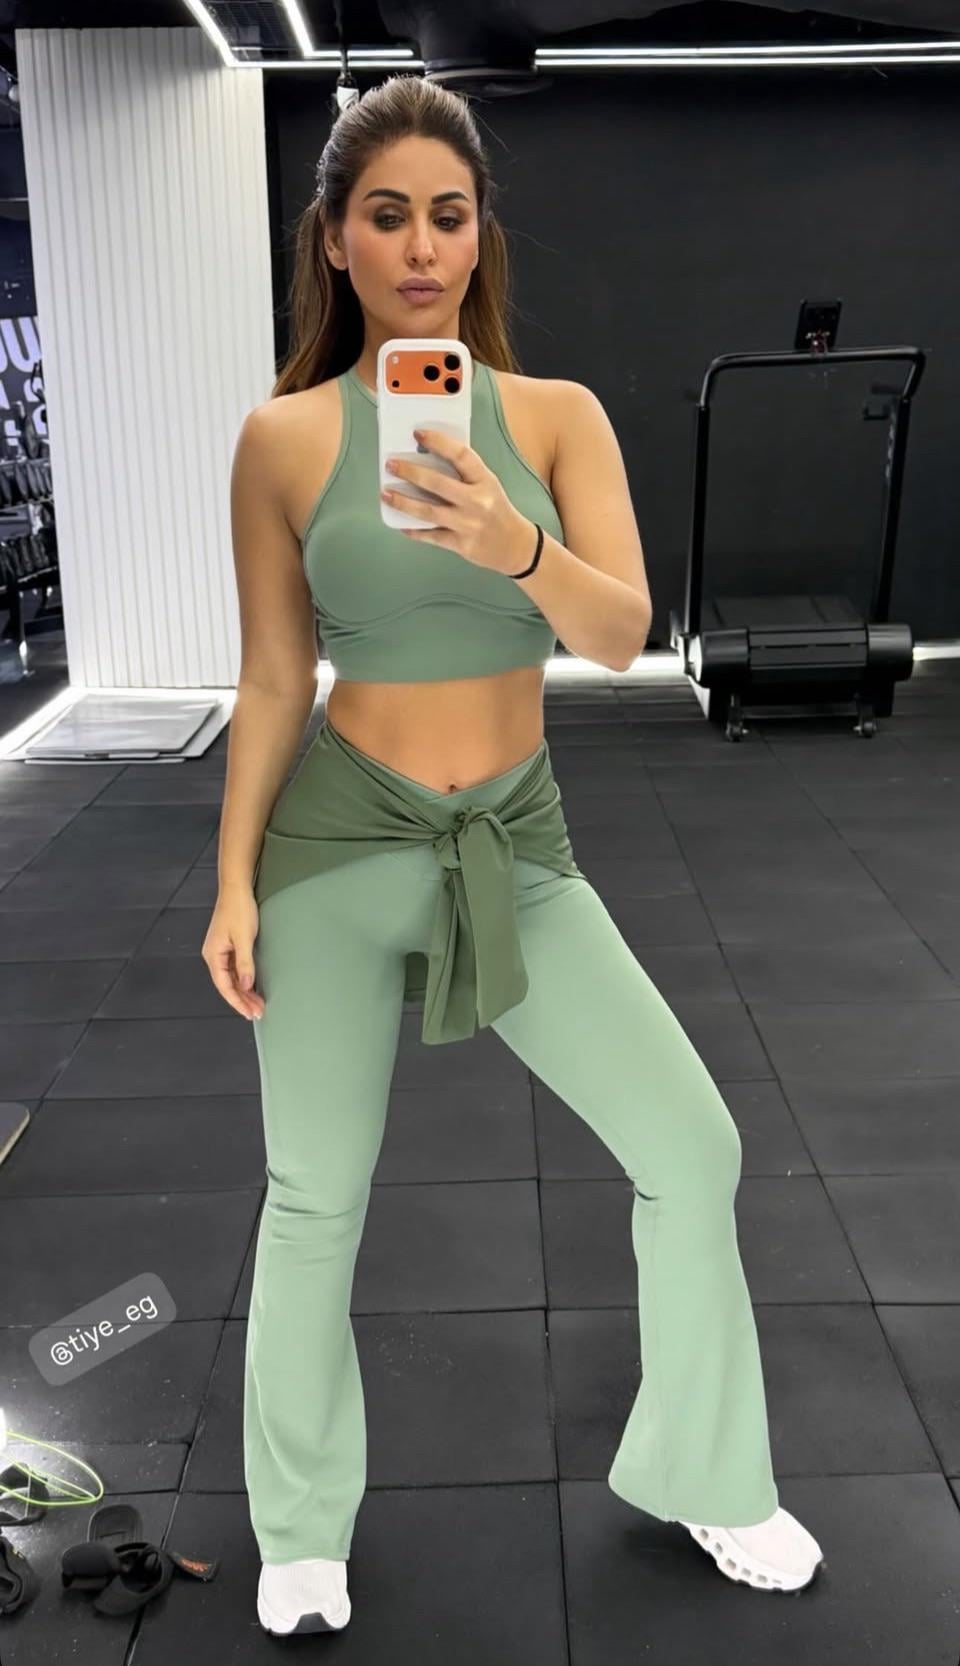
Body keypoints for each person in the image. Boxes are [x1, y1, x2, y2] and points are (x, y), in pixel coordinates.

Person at [202, 75, 824, 1637]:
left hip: (517, 842)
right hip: (338, 842)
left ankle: (706, 1470)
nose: (421, 248)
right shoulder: (282, 440)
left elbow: (622, 633)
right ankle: (301, 1526)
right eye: (387, 216)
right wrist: (229, 881)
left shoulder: (556, 419)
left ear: (481, 237)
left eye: (449, 215)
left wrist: (513, 543)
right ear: (334, 240)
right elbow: (272, 680)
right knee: (314, 1194)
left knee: (693, 1147)